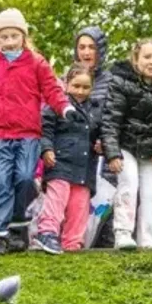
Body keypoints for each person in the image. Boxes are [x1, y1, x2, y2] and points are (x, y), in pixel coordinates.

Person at [0, 9, 73, 255]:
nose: (8, 42)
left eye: (13, 36)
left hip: (28, 132)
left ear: (23, 37)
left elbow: (51, 89)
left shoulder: (36, 62)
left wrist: (65, 107)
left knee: (25, 178)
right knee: (0, 181)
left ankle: (18, 227)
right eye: (3, 37)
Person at [102, 39, 152, 250]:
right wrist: (113, 153)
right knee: (128, 184)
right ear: (136, 59)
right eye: (147, 57)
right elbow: (111, 121)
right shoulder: (120, 83)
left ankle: (148, 241)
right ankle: (123, 234)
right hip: (126, 146)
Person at [33, 64, 100, 254]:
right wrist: (46, 149)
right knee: (57, 199)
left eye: (86, 87)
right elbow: (44, 130)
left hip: (84, 167)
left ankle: (72, 243)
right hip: (59, 162)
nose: (80, 91)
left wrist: (101, 145)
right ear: (66, 84)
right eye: (76, 86)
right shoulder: (56, 105)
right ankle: (47, 232)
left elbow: (101, 133)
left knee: (79, 206)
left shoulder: (96, 110)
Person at [72, 25, 116, 248]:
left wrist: (105, 142)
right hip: (77, 152)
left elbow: (113, 116)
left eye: (91, 47)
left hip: (104, 153)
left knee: (107, 202)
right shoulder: (70, 78)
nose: (86, 52)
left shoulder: (111, 81)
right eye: (82, 47)